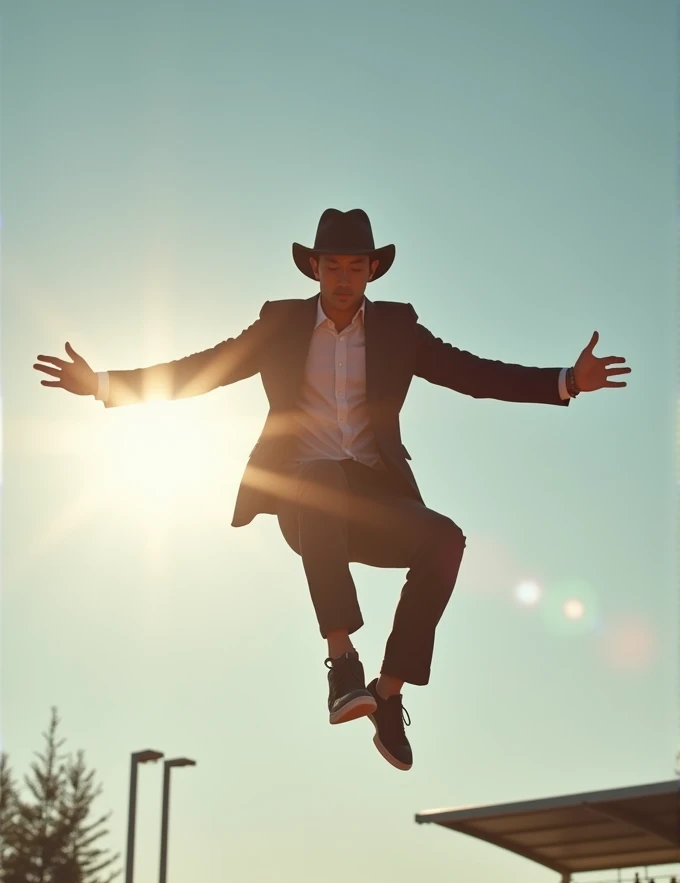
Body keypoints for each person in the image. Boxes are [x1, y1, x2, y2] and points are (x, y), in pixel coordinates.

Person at [32, 208, 631, 771]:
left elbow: (473, 375)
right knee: (319, 477)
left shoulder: (398, 329)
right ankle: (342, 663)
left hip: (373, 502)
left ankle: (387, 695)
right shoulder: (281, 325)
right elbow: (204, 368)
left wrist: (567, 380)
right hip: (303, 501)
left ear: (373, 270)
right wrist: (105, 384)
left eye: (355, 267)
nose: (343, 279)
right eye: (332, 266)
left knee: (446, 540)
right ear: (313, 268)